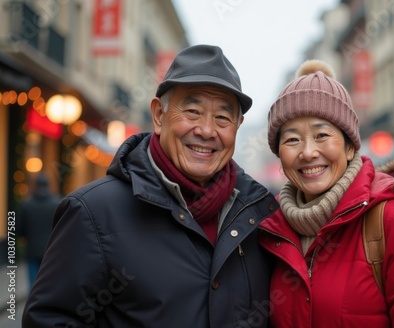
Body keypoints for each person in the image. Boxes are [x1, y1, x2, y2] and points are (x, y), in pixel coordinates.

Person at [22, 44, 279, 327]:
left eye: (222, 117)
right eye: (192, 111)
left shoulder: (259, 216)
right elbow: (49, 320)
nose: (206, 130)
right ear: (158, 115)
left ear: (237, 126)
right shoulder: (92, 212)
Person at [258, 59, 394, 327]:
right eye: (292, 139)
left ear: (350, 147)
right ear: (279, 155)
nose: (307, 152)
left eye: (322, 135)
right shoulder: (270, 229)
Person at [17, 172, 60, 289]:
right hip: (50, 251)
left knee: (33, 285)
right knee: (48, 284)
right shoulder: (56, 203)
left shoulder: (26, 205)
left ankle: (33, 306)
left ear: (35, 185)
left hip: (32, 250)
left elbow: (19, 229)